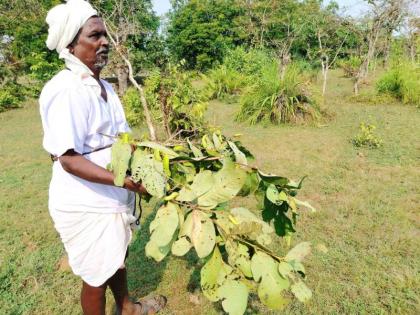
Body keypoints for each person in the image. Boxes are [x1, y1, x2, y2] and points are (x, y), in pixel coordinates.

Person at [39, 1, 166, 314]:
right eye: (95, 36)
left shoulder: (105, 88)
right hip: (85, 202)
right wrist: (127, 182)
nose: (105, 42)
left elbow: (122, 141)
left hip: (111, 196)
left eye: (105, 35)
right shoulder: (67, 90)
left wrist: (157, 159)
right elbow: (68, 158)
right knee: (96, 276)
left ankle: (127, 308)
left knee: (117, 260)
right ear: (71, 44)